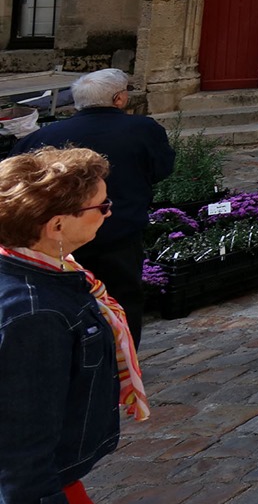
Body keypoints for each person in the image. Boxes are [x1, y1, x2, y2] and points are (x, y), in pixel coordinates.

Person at [0, 148, 144, 504]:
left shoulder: (34, 269)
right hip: (22, 489)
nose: (108, 212)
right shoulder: (35, 313)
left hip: (17, 485)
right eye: (101, 205)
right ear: (56, 225)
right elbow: (19, 432)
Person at [6, 70, 173, 339]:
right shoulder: (143, 129)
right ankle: (118, 364)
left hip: (59, 238)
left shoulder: (42, 137)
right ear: (119, 99)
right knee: (121, 300)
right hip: (118, 232)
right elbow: (162, 169)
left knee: (61, 301)